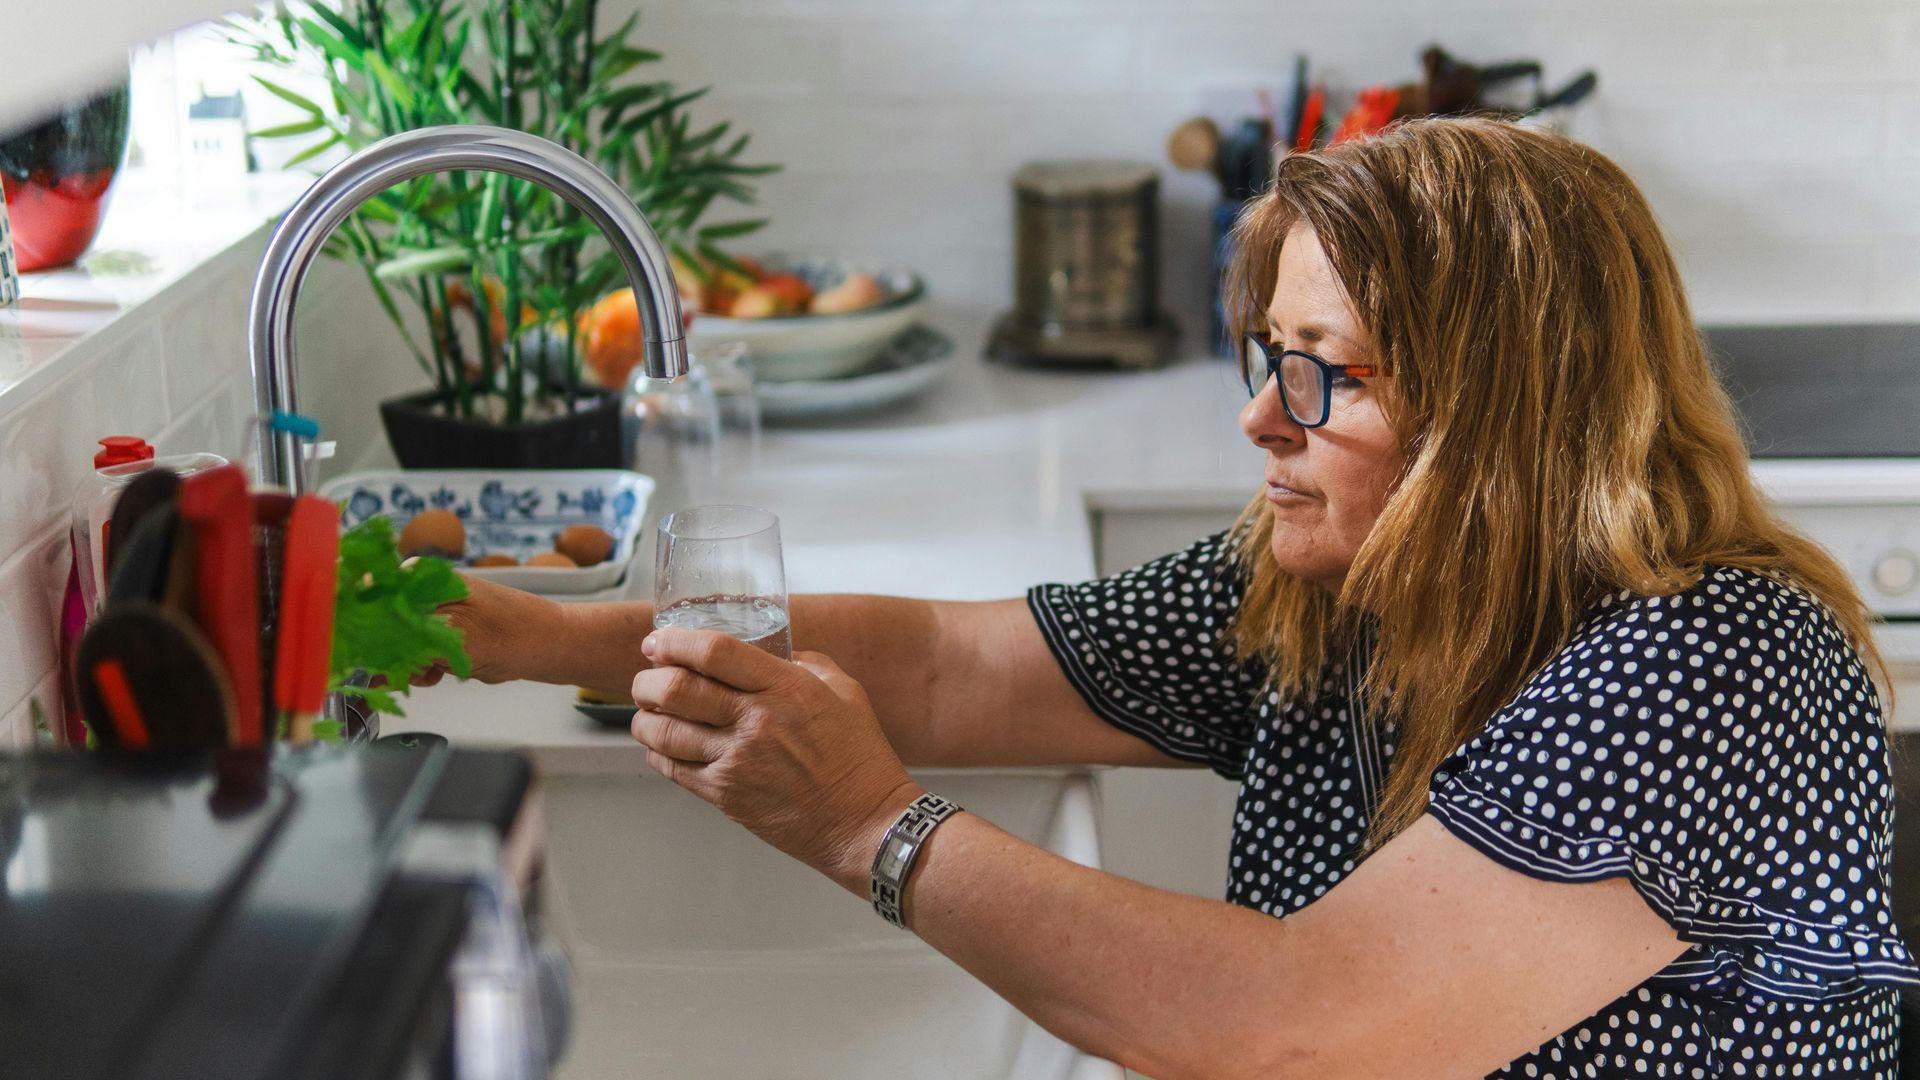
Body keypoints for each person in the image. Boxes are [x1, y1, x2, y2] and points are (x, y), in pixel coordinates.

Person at [427, 117, 1919, 1077]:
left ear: (1501, 412)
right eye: (1268, 358)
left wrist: (864, 823)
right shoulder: (1336, 580)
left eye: (1326, 374)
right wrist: (542, 637)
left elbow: (1299, 1033)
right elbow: (951, 666)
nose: (1263, 419)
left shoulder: (1717, 662)